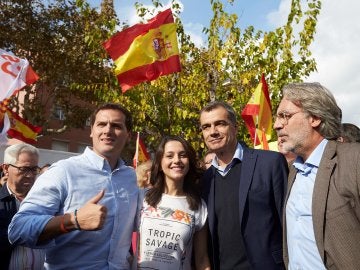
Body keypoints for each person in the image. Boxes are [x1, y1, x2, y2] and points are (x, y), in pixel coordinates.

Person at [8, 103, 139, 269]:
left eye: (116, 126)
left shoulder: (133, 179)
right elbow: (18, 229)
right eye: (101, 124)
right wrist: (72, 220)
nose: (107, 130)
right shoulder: (64, 172)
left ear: (129, 135)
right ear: (91, 131)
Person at [274, 82, 360, 269]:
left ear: (314, 118)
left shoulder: (354, 160)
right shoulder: (293, 171)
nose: (277, 125)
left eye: (285, 116)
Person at [199, 101, 288, 270]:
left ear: (235, 127)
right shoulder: (204, 180)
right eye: (206, 127)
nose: (213, 132)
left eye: (220, 124)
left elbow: (288, 223)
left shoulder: (269, 163)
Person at [135, 135, 210, 270]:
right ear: (160, 163)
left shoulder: (199, 206)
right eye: (169, 156)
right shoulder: (141, 198)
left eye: (182, 155)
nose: (177, 160)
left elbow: (202, 259)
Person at [0, 143, 45, 270]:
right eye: (24, 169)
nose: (30, 175)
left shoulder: (44, 201)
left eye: (34, 169)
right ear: (6, 169)